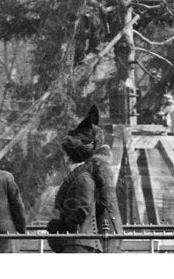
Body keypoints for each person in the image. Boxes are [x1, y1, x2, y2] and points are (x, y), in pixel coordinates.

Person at [47, 107, 121, 253]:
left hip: (94, 236)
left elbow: (96, 204)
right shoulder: (90, 170)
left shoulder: (88, 173)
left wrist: (61, 223)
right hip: (95, 235)